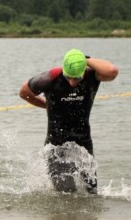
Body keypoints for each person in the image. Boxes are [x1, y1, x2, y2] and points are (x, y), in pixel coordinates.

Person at [19, 48, 118, 194]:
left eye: (76, 78)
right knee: (65, 194)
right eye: (68, 77)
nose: (72, 82)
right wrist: (46, 105)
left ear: (85, 69)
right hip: (56, 144)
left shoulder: (92, 76)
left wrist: (83, 59)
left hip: (83, 143)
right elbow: (24, 93)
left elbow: (112, 71)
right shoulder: (49, 78)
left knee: (91, 193)